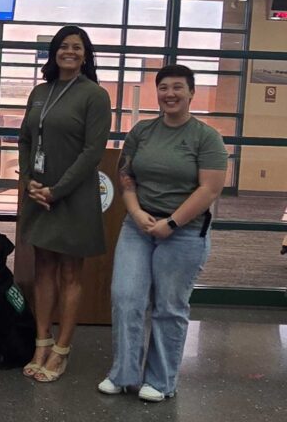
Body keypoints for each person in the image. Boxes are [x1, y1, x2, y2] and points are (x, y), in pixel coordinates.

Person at [98, 64, 227, 402]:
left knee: (169, 307)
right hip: (138, 227)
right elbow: (126, 175)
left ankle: (161, 381)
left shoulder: (206, 137)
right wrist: (137, 212)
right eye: (164, 87)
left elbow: (209, 189)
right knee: (126, 298)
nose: (170, 94)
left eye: (178, 88)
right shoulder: (142, 132)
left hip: (184, 232)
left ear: (191, 93)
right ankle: (123, 374)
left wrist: (171, 223)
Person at [17, 25, 111, 382]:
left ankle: (62, 350)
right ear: (53, 52)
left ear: (86, 55)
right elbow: (25, 140)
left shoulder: (95, 95)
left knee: (71, 273)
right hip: (38, 194)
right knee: (43, 269)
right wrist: (28, 182)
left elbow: (92, 153)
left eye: (76, 47)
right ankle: (42, 341)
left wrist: (56, 191)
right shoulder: (40, 91)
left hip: (73, 198)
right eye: (63, 46)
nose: (69, 52)